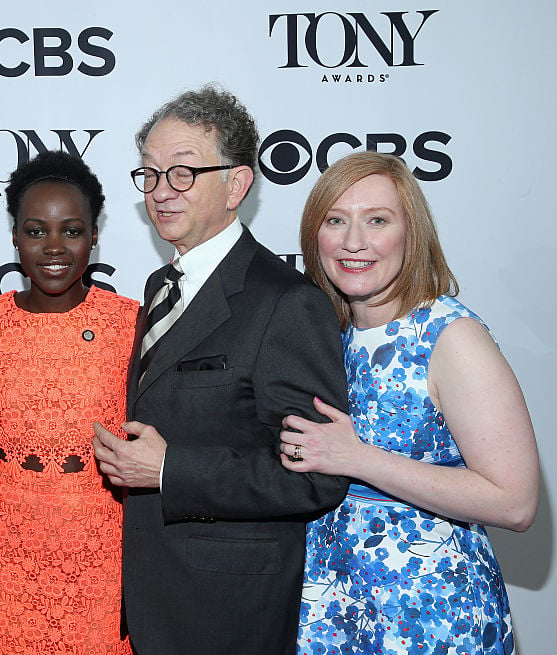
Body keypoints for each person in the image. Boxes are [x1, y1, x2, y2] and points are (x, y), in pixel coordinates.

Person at [91, 85, 350, 654]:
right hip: (154, 597)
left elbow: (316, 475)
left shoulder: (287, 303)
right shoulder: (162, 286)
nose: (162, 192)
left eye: (183, 173)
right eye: (151, 175)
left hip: (228, 613)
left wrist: (168, 470)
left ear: (237, 184)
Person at [282, 151, 539, 654]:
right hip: (331, 613)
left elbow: (515, 501)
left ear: (411, 233)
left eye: (377, 220)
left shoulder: (450, 336)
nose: (353, 242)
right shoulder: (323, 333)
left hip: (431, 615)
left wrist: (358, 459)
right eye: (336, 220)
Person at [0, 151, 137, 655]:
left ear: (95, 236)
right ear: (15, 237)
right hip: (5, 564)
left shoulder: (131, 325)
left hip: (104, 564)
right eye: (36, 231)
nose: (54, 247)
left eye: (72, 230)